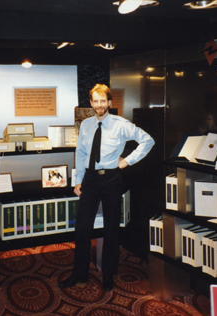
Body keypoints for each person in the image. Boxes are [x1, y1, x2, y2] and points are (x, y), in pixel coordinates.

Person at [58, 83, 155, 291]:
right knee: (82, 228)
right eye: (96, 101)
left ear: (109, 102)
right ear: (91, 103)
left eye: (103, 101)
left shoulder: (121, 124)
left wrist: (126, 162)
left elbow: (147, 141)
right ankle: (79, 274)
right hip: (90, 180)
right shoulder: (85, 125)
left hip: (112, 179)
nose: (99, 104)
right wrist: (78, 180)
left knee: (111, 229)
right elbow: (81, 153)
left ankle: (108, 275)